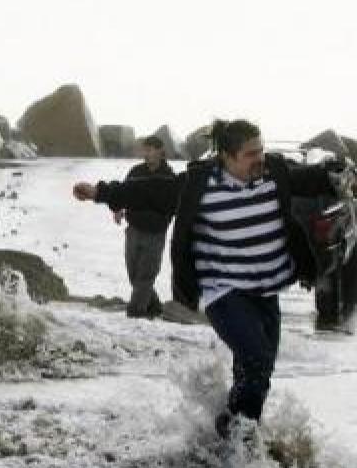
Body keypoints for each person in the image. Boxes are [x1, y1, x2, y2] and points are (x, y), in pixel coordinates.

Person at [72, 119, 343, 439]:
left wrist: (336, 176)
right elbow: (153, 191)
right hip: (224, 292)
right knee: (256, 358)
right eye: (250, 154)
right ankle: (237, 437)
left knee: (258, 372)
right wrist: (101, 192)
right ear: (226, 156)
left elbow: (311, 179)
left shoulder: (273, 172)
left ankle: (234, 432)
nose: (260, 159)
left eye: (261, 150)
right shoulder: (200, 183)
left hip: (267, 292)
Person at [112, 135, 175, 318]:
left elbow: (175, 204)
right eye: (144, 150)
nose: (145, 154)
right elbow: (123, 192)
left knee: (146, 276)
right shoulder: (136, 172)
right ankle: (154, 307)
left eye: (149, 150)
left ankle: (135, 313)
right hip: (133, 229)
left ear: (160, 152)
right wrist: (118, 209)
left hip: (155, 233)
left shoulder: (169, 177)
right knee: (133, 274)